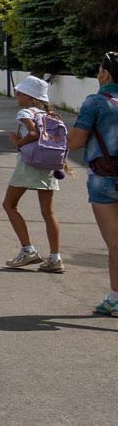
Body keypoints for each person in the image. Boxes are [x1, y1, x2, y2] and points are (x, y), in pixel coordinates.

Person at [66, 52, 118, 318]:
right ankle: (113, 299)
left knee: (115, 243)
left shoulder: (96, 102)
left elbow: (75, 141)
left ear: (105, 75)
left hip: (105, 178)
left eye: (99, 70)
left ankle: (116, 300)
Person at [2, 75, 66, 272]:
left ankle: (28, 250)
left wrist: (17, 142)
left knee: (9, 204)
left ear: (29, 96)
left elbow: (33, 134)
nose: (16, 95)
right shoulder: (49, 115)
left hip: (29, 164)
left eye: (19, 92)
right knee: (48, 212)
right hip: (48, 164)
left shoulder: (25, 112)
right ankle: (55, 258)